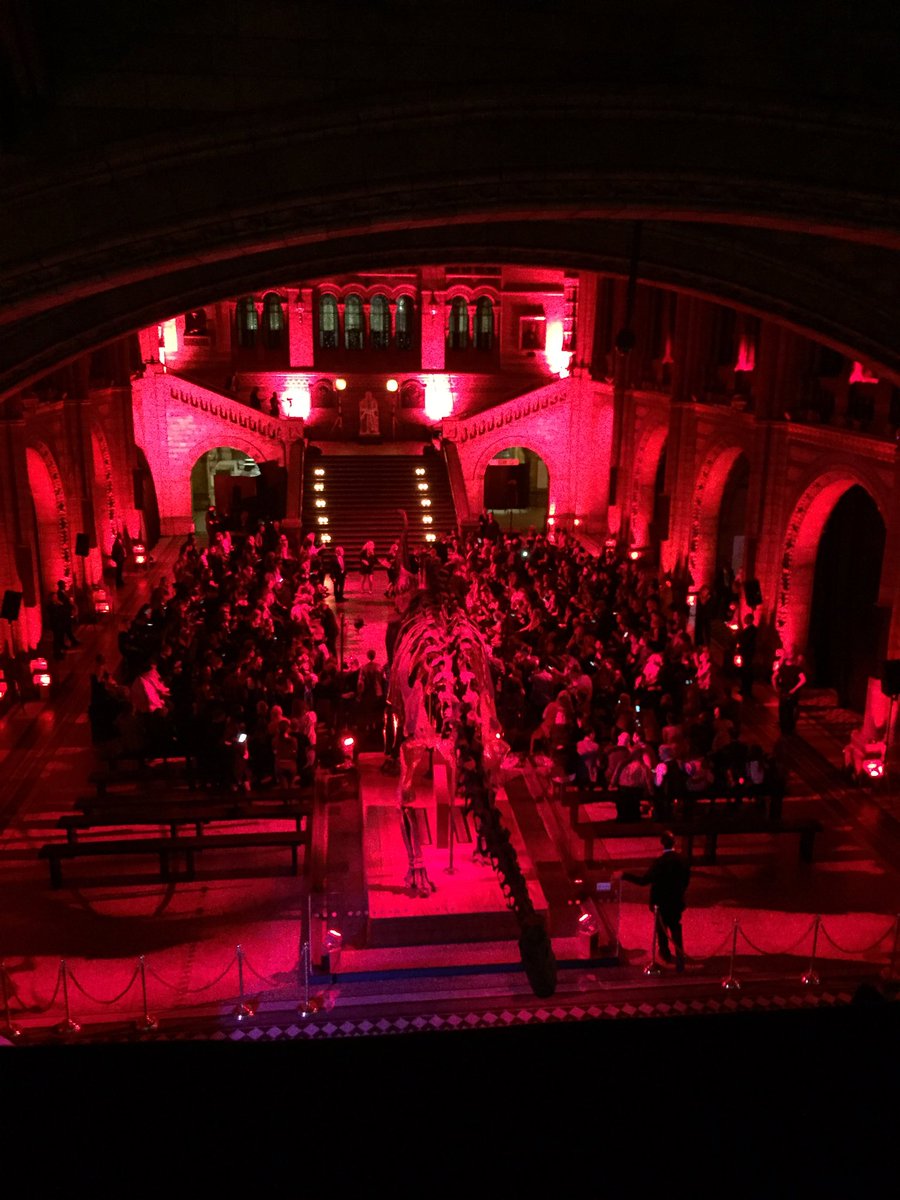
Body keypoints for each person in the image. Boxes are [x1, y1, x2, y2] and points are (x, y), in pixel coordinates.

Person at [623, 831, 690, 971]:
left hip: (660, 903)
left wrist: (625, 875)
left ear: (662, 843)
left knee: (661, 929)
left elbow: (643, 881)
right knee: (676, 928)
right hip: (675, 901)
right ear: (674, 843)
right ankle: (680, 958)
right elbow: (685, 881)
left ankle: (665, 954)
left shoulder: (659, 862)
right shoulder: (682, 860)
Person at [773, 645, 807, 735]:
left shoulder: (784, 668)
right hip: (791, 693)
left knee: (783, 710)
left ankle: (784, 729)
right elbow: (803, 680)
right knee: (789, 710)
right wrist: (794, 689)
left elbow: (773, 677)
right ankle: (789, 728)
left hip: (784, 692)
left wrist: (776, 688)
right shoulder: (796, 668)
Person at [735, 612, 758, 700]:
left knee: (747, 672)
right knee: (743, 672)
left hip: (747, 654)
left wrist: (740, 639)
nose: (744, 619)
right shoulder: (746, 629)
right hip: (743, 653)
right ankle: (743, 689)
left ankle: (747, 690)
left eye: (746, 618)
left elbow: (747, 641)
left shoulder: (753, 630)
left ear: (750, 620)